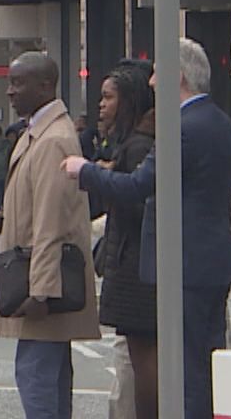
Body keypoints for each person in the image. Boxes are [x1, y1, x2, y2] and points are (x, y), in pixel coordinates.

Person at [64, 38, 231, 419]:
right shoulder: (222, 123)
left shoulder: (180, 127)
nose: (153, 82)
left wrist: (86, 171)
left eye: (159, 73)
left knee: (185, 370)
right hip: (212, 260)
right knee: (203, 364)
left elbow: (139, 185)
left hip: (182, 264)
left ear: (178, 76)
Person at [0, 51, 99, 419]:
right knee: (47, 379)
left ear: (45, 86)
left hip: (42, 287)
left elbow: (52, 222)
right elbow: (36, 207)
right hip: (38, 276)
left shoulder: (52, 139)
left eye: (18, 83)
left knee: (36, 380)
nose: (10, 92)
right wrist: (5, 219)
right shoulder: (38, 133)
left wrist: (41, 291)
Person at [93, 62, 157, 419]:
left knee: (138, 365)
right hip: (136, 268)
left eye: (108, 97)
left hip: (135, 274)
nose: (101, 105)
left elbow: (135, 211)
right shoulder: (136, 144)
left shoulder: (136, 147)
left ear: (128, 100)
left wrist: (104, 179)